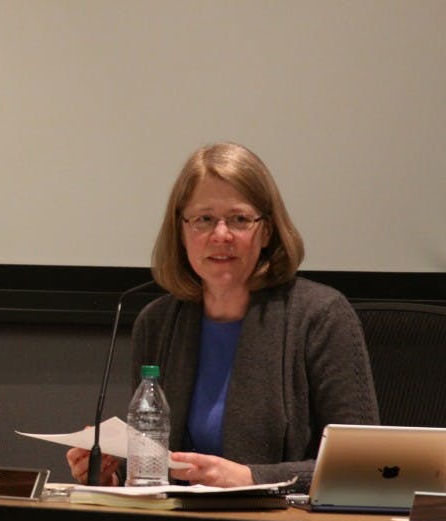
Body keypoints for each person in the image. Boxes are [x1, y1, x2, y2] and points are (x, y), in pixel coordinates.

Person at [67, 142, 378, 489]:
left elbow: (364, 466)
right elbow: (160, 464)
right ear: (182, 231)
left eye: (239, 219)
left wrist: (252, 478)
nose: (220, 235)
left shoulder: (321, 317)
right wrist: (110, 474)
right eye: (203, 219)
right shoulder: (157, 323)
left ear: (267, 231)